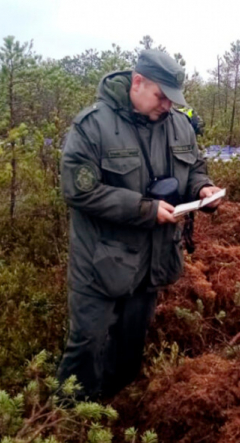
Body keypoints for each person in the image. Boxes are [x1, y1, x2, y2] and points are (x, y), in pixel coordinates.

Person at [58, 49, 222, 400]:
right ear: (137, 82)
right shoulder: (93, 126)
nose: (167, 105)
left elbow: (194, 167)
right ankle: (68, 419)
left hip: (153, 260)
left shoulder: (179, 124)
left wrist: (202, 188)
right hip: (100, 262)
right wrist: (144, 209)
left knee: (131, 346)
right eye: (160, 96)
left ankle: (114, 413)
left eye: (172, 99)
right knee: (87, 345)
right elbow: (78, 191)